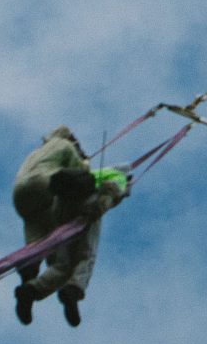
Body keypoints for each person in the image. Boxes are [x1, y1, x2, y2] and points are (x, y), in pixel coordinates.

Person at [9, 126, 132, 327]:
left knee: (41, 242)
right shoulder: (66, 146)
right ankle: (72, 289)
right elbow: (82, 175)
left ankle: (29, 280)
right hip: (49, 188)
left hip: (22, 196)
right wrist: (86, 163)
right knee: (81, 251)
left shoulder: (36, 154)